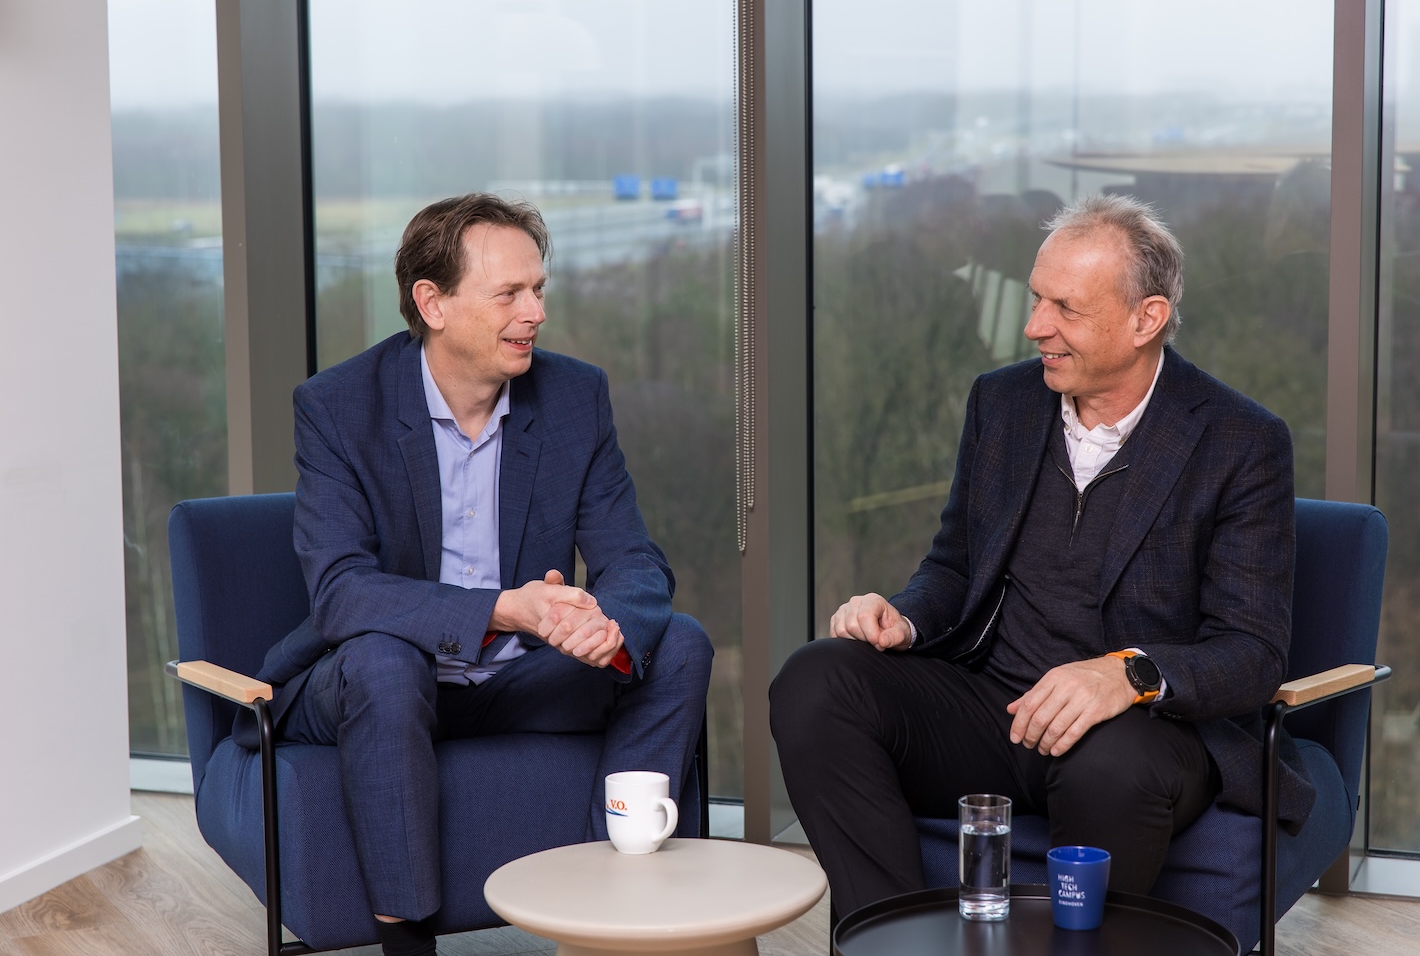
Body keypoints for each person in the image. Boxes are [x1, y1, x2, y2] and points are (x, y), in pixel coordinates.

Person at [770, 194, 1310, 919]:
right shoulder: (1003, 403)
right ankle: (893, 934)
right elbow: (955, 566)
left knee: (1111, 767)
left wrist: (1126, 675)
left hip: (1140, 734)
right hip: (995, 708)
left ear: (1146, 318)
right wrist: (903, 618)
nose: (1034, 327)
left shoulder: (1240, 441)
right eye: (1035, 300)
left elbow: (1251, 652)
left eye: (1066, 308)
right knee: (815, 678)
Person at [238, 193, 713, 956]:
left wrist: (605, 622)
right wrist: (506, 610)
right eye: (509, 294)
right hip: (382, 682)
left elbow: (634, 559)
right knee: (385, 662)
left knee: (678, 644)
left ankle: (615, 918)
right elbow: (341, 592)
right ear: (432, 303)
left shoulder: (573, 397)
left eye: (539, 289)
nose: (535, 312)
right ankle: (407, 941)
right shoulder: (337, 408)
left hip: (518, 678)